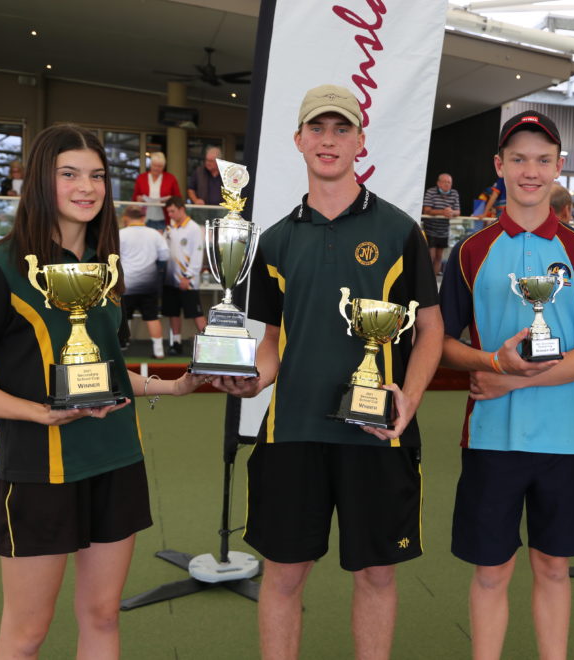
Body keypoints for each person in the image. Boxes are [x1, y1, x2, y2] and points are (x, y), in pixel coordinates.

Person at [0, 123, 201, 659]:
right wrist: (38, 414)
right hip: (38, 469)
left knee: (102, 617)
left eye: (97, 175)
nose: (87, 187)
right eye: (69, 174)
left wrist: (175, 386)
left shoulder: (109, 267)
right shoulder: (1, 266)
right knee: (27, 633)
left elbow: (105, 371)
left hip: (116, 459)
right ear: (40, 183)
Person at [213, 83, 443, 660]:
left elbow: (431, 330)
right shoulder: (274, 240)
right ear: (298, 140)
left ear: (361, 141)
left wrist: (408, 400)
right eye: (317, 128)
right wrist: (254, 379)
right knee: (284, 578)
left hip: (375, 435)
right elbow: (271, 341)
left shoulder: (398, 232)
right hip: (290, 434)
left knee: (376, 576)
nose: (329, 140)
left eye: (342, 129)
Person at [439, 110, 574, 659]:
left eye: (542, 160)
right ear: (499, 167)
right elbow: (441, 343)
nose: (530, 171)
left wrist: (511, 380)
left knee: (554, 568)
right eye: (518, 159)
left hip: (562, 440)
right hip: (491, 439)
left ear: (559, 167)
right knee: (491, 573)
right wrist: (492, 359)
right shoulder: (472, 250)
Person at [118, 205, 169, 358]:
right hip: (150, 284)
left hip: (127, 284)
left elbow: (113, 257)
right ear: (143, 218)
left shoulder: (121, 234)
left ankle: (122, 347)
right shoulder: (154, 234)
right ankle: (159, 351)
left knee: (123, 317)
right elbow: (165, 256)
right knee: (152, 317)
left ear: (126, 218)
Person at [162, 196, 206, 355]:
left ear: (182, 209)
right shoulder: (171, 227)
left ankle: (208, 347)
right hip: (171, 279)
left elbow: (197, 254)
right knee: (173, 313)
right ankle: (176, 343)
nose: (170, 214)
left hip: (187, 280)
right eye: (168, 212)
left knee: (196, 313)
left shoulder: (193, 228)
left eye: (173, 211)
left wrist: (187, 276)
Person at [421, 172, 461, 275]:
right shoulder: (431, 192)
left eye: (449, 182)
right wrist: (443, 212)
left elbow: (458, 211)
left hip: (443, 230)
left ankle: (433, 282)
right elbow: (426, 210)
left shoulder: (454, 193)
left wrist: (452, 212)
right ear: (438, 183)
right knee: (431, 256)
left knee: (439, 257)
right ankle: (425, 279)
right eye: (445, 182)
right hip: (430, 229)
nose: (447, 184)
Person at [132, 151, 181, 232]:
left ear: (164, 167)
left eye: (160, 166)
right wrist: (139, 199)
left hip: (164, 218)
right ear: (150, 165)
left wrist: (170, 199)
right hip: (145, 218)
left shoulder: (171, 178)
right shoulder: (141, 178)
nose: (156, 168)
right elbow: (134, 197)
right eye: (154, 165)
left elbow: (178, 198)